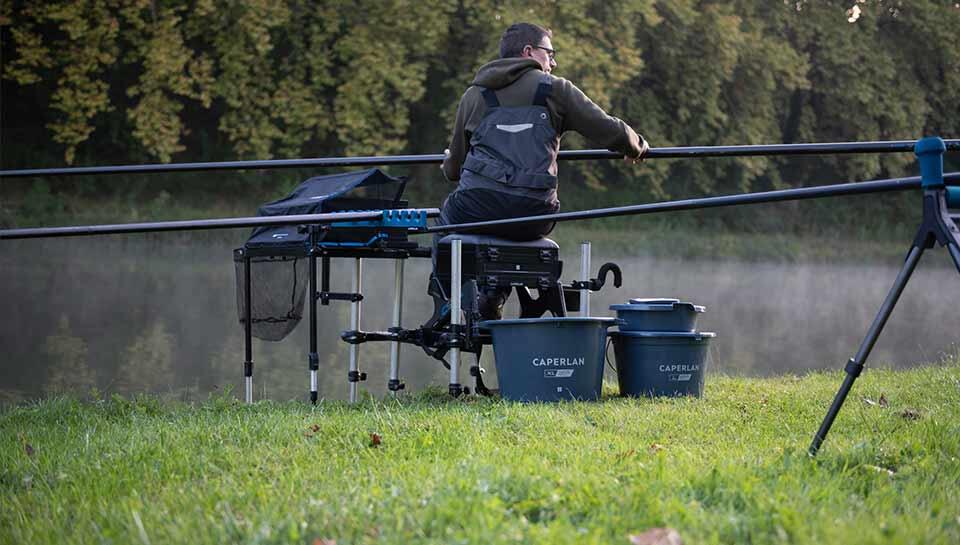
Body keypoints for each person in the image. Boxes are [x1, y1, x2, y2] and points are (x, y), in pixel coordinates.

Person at [439, 22, 650, 240]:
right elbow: (609, 129)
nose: (553, 62)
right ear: (528, 51)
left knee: (442, 224)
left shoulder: (474, 95)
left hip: (478, 208)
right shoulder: (556, 89)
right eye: (549, 53)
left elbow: (454, 170)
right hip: (535, 214)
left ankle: (443, 275)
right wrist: (637, 146)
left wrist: (448, 163)